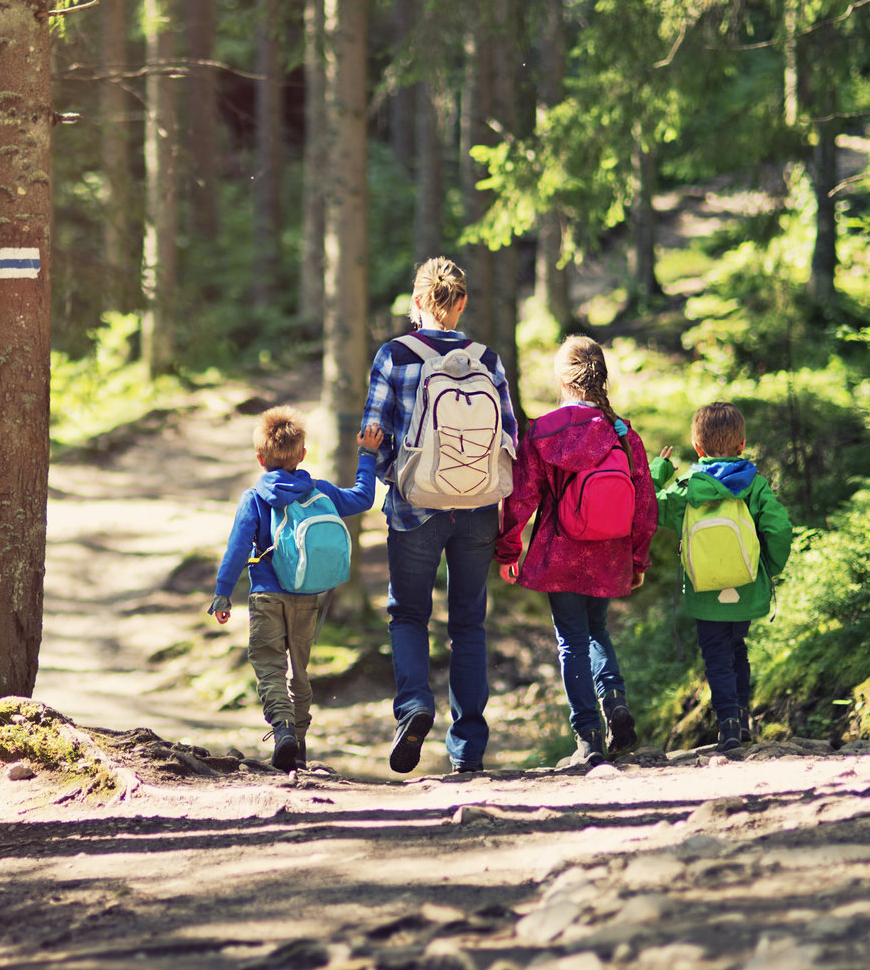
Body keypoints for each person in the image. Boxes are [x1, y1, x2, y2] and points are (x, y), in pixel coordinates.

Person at [360, 257, 518, 775]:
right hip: (476, 508)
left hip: (415, 509)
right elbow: (509, 438)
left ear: (417, 302)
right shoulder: (488, 360)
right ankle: (468, 750)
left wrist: (394, 475)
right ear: (461, 302)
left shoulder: (394, 354)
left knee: (408, 615)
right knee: (469, 625)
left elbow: (374, 430)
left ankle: (414, 707)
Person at [494, 336, 658, 767]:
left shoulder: (545, 430)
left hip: (561, 550)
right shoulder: (623, 432)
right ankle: (616, 702)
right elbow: (644, 505)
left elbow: (521, 497)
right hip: (608, 553)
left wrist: (509, 550)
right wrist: (637, 559)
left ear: (562, 379)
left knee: (571, 641)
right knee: (597, 630)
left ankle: (588, 737)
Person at [209, 407, 382, 772]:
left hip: (266, 595)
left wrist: (223, 593)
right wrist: (367, 454)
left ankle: (283, 728)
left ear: (259, 458)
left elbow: (237, 548)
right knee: (298, 671)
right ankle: (299, 744)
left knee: (269, 665)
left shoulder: (254, 498)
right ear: (302, 454)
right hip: (307, 594)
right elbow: (364, 498)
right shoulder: (319, 490)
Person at [650, 402, 794, 749]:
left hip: (703, 591)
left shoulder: (686, 486)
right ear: (742, 445)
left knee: (715, 653)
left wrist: (659, 471)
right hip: (745, 585)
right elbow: (779, 528)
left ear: (697, 448)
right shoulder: (755, 485)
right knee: (737, 648)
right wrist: (767, 569)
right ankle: (742, 717)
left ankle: (728, 723)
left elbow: (649, 507)